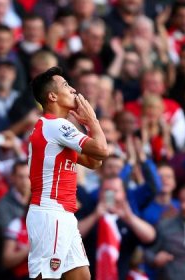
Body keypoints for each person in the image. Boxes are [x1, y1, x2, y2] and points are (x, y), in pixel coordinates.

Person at [27, 66, 108, 280]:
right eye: (66, 85)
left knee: (81, 277)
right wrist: (92, 121)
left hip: (64, 214)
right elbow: (102, 151)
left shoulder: (53, 128)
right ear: (52, 96)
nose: (73, 90)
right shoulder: (55, 126)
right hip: (50, 213)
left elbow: (94, 162)